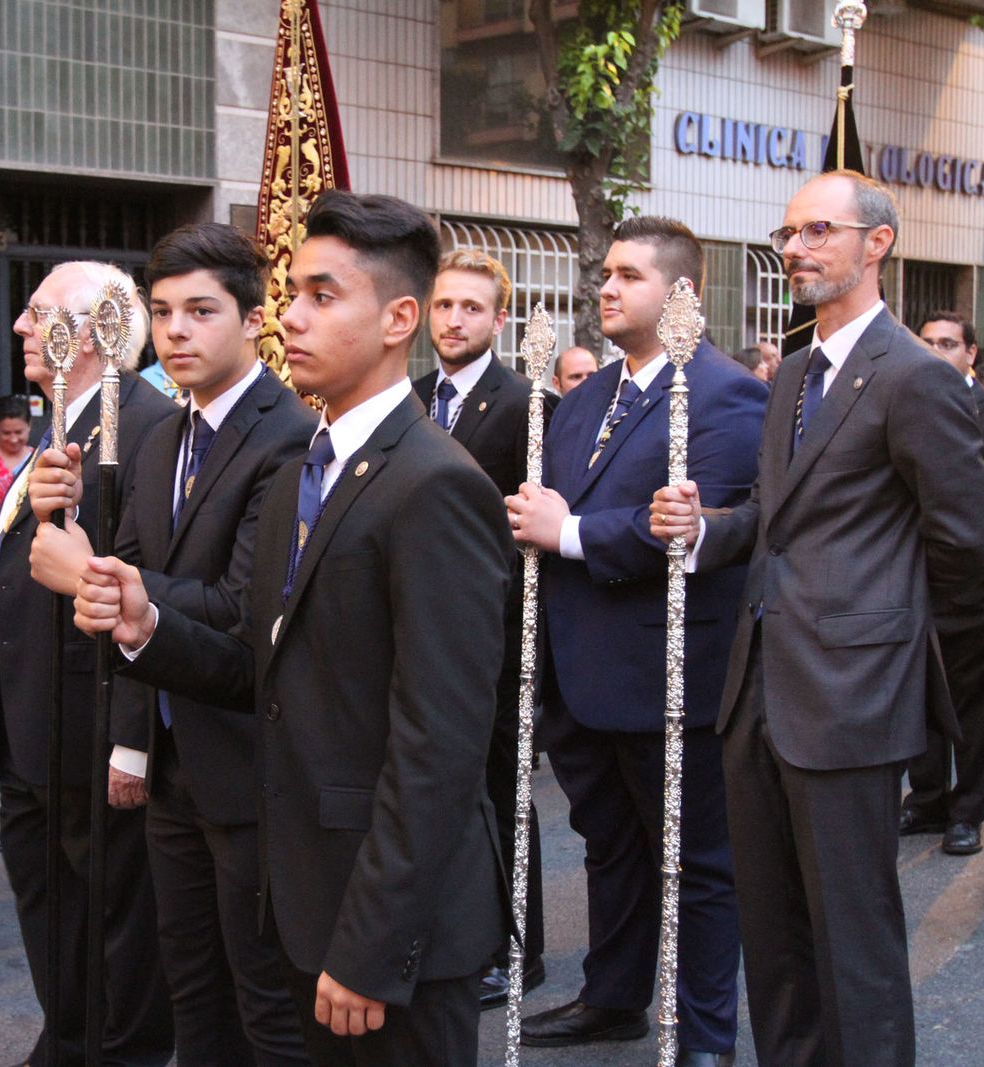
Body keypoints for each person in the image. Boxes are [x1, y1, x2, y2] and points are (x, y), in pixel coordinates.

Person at [73, 191, 511, 1066]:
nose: (291, 318)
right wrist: (145, 625)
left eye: (322, 295)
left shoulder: (435, 483)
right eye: (291, 294)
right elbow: (257, 662)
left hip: (392, 927)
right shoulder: (312, 467)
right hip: (305, 893)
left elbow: (439, 747)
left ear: (398, 319)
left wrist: (370, 945)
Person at [649, 171, 984, 1067]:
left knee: (854, 943)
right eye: (788, 233)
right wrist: (704, 530)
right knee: (774, 941)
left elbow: (966, 551)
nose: (795, 249)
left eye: (817, 231)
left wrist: (888, 650)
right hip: (757, 692)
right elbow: (774, 515)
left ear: (877, 243)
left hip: (852, 700)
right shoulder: (797, 372)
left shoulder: (915, 377)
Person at [29, 222, 317, 1065]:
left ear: (254, 319)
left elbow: (240, 605)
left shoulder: (289, 435)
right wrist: (70, 525)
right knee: (191, 992)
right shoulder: (160, 435)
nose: (177, 331)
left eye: (201, 310)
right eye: (161, 312)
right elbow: (133, 579)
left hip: (252, 756)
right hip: (169, 754)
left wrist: (98, 577)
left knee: (264, 1003)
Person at [0, 262, 177, 1066]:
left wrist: (134, 739)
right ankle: (67, 1037)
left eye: (36, 312)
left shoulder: (144, 426)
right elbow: (25, 542)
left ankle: (115, 1050)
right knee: (52, 907)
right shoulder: (59, 421)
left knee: (113, 919)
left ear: (90, 335)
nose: (21, 327)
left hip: (96, 723)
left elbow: (143, 582)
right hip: (32, 719)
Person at [509, 218, 763, 1065]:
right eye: (607, 273)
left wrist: (571, 531)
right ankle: (613, 997)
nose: (607, 288)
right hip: (579, 668)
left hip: (668, 671)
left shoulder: (725, 394)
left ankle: (702, 1034)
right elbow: (549, 507)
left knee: (695, 864)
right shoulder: (584, 398)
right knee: (610, 845)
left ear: (681, 292)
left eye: (629, 275)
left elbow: (698, 525)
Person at [413, 248, 548, 1009]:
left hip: (495, 629)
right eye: (444, 305)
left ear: (499, 320)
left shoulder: (527, 403)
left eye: (471, 307)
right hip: (415, 625)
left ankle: (518, 948)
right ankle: (451, 934)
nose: (454, 320)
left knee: (502, 787)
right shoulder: (410, 397)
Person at [903, 311, 984, 855]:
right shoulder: (904, 400)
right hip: (914, 579)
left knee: (973, 706)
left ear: (971, 353)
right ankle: (927, 799)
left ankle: (967, 812)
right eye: (926, 342)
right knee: (919, 698)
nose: (935, 351)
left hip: (977, 585)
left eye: (947, 343)